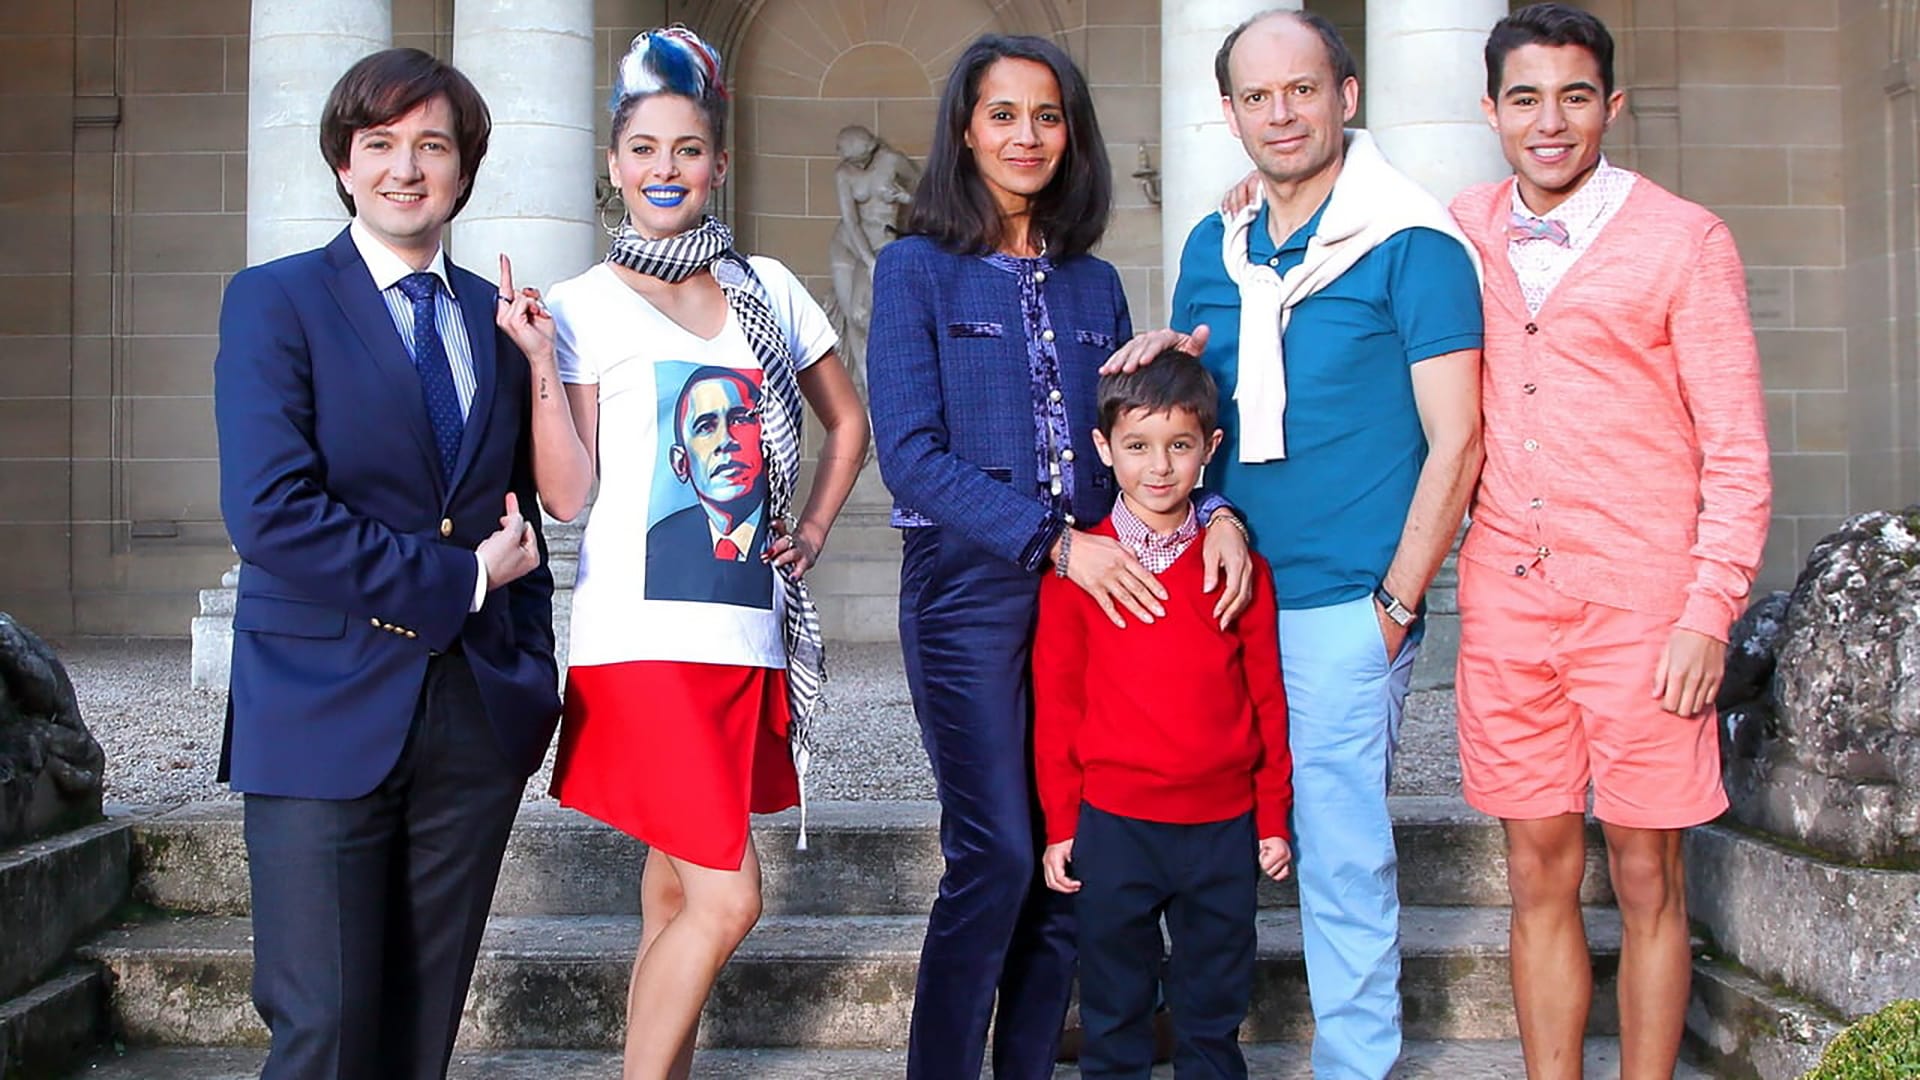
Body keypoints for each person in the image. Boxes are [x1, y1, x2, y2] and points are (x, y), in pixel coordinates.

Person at [866, 33, 1255, 1080]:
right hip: (969, 590)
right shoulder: (913, 270)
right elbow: (909, 455)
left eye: (1047, 116)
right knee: (995, 853)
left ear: (1071, 134)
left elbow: (1145, 434)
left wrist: (1217, 508)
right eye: (1002, 114)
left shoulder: (1097, 285)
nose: (1026, 136)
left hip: (1094, 595)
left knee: (1070, 859)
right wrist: (1052, 544)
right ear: (964, 130)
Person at [1108, 11, 1486, 1077]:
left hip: (1342, 604)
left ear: (1346, 98)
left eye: (1303, 90)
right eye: (1257, 96)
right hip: (1218, 599)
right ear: (1230, 113)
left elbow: (1459, 440)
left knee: (1341, 854)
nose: (1281, 114)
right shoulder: (1214, 246)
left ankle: (1354, 1064)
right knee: (1188, 834)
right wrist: (1216, 511)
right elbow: (1200, 421)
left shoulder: (1413, 244)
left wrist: (1396, 605)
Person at [492, 26, 868, 1080]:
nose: (666, 168)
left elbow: (848, 423)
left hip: (747, 645)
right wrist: (538, 363)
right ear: (614, 164)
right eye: (645, 149)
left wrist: (813, 528)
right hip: (640, 648)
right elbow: (567, 495)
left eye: (688, 149)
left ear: (719, 163)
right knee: (729, 896)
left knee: (672, 892)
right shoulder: (577, 305)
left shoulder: (768, 289)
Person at [213, 48, 561, 1080]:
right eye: (380, 144)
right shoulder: (274, 300)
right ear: (344, 164)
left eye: (432, 146)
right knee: (322, 1028)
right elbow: (270, 513)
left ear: (464, 170)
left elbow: (519, 515)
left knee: (420, 1034)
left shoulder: (494, 322)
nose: (405, 168)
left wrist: (526, 672)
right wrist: (460, 584)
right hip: (317, 706)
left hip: (472, 718)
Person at [1449, 7, 1770, 1077]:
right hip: (1508, 600)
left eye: (1575, 96)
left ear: (1612, 106)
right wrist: (1245, 203)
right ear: (1491, 110)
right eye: (1526, 98)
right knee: (1536, 870)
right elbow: (1334, 236)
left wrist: (1708, 613)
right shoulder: (1457, 229)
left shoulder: (1686, 240)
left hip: (1646, 606)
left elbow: (1737, 450)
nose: (1550, 121)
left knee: (1645, 874)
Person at [1033, 354, 1294, 1079]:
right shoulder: (1078, 574)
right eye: (1138, 445)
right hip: (1115, 826)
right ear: (1103, 447)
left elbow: (1266, 699)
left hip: (1222, 827)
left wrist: (1272, 816)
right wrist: (1061, 824)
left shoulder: (1239, 569)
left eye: (1180, 445)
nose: (1159, 466)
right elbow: (1058, 708)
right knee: (1114, 1011)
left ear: (1210, 448)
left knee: (1213, 1013)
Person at [644, 366, 774, 606]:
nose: (726, 440)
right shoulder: (661, 542)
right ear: (680, 463)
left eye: (740, 419)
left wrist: (813, 531)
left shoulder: (777, 539)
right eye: (705, 426)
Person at [828, 124, 920, 387]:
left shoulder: (892, 160)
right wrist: (868, 261)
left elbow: (926, 193)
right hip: (849, 245)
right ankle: (867, 388)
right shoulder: (844, 173)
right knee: (852, 317)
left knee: (865, 315)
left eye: (861, 159)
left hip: (883, 242)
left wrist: (904, 197)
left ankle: (884, 382)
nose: (858, 166)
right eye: (852, 161)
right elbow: (851, 221)